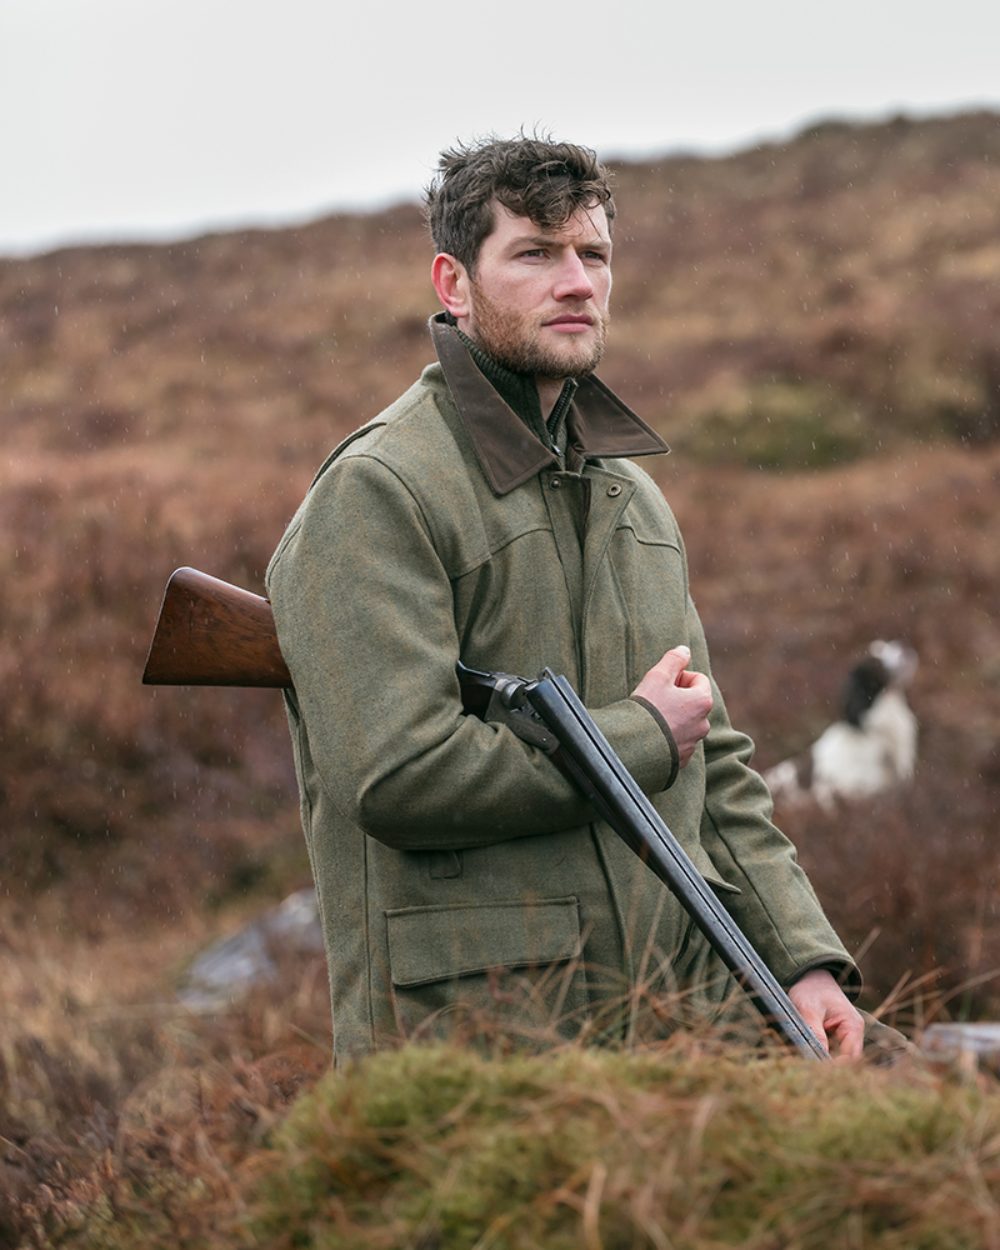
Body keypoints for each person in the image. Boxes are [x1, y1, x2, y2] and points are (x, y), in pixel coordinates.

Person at [266, 136, 870, 1064]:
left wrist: (800, 958)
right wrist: (634, 736)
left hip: (663, 1026)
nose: (578, 282)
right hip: (475, 1049)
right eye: (536, 254)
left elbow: (710, 756)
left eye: (593, 255)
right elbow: (396, 776)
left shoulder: (633, 497)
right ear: (453, 282)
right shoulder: (381, 490)